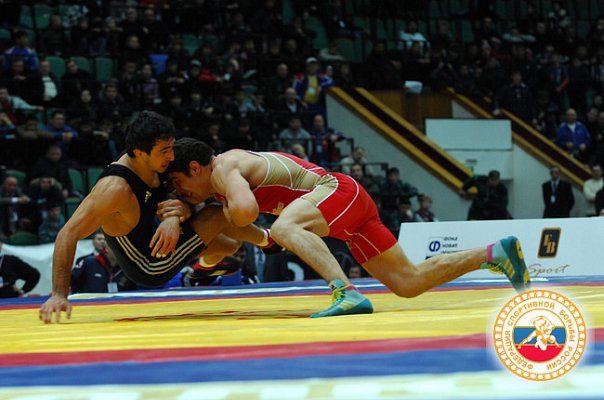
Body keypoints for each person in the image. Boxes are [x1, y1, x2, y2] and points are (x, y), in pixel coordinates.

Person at [165, 138, 531, 318]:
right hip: (347, 208)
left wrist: (204, 209)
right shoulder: (222, 187)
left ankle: (346, 292)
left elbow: (244, 214)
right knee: (408, 283)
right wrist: (253, 236)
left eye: (179, 183)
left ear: (196, 168)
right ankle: (494, 252)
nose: (180, 192)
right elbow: (238, 224)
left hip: (337, 191)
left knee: (285, 227)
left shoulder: (226, 168)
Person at [39, 111, 269, 324]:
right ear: (140, 152)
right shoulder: (114, 189)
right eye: (165, 150)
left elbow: (180, 198)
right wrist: (59, 293)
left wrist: (173, 217)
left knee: (230, 246)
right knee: (216, 213)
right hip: (149, 265)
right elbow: (67, 233)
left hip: (162, 239)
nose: (172, 155)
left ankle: (203, 269)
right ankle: (270, 240)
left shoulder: (154, 163)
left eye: (171, 147)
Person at [71, 246, 138, 294]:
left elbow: (136, 291)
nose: (121, 252)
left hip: (119, 306)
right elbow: (71, 279)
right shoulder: (89, 262)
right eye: (118, 248)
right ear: (107, 248)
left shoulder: (129, 267)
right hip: (90, 305)